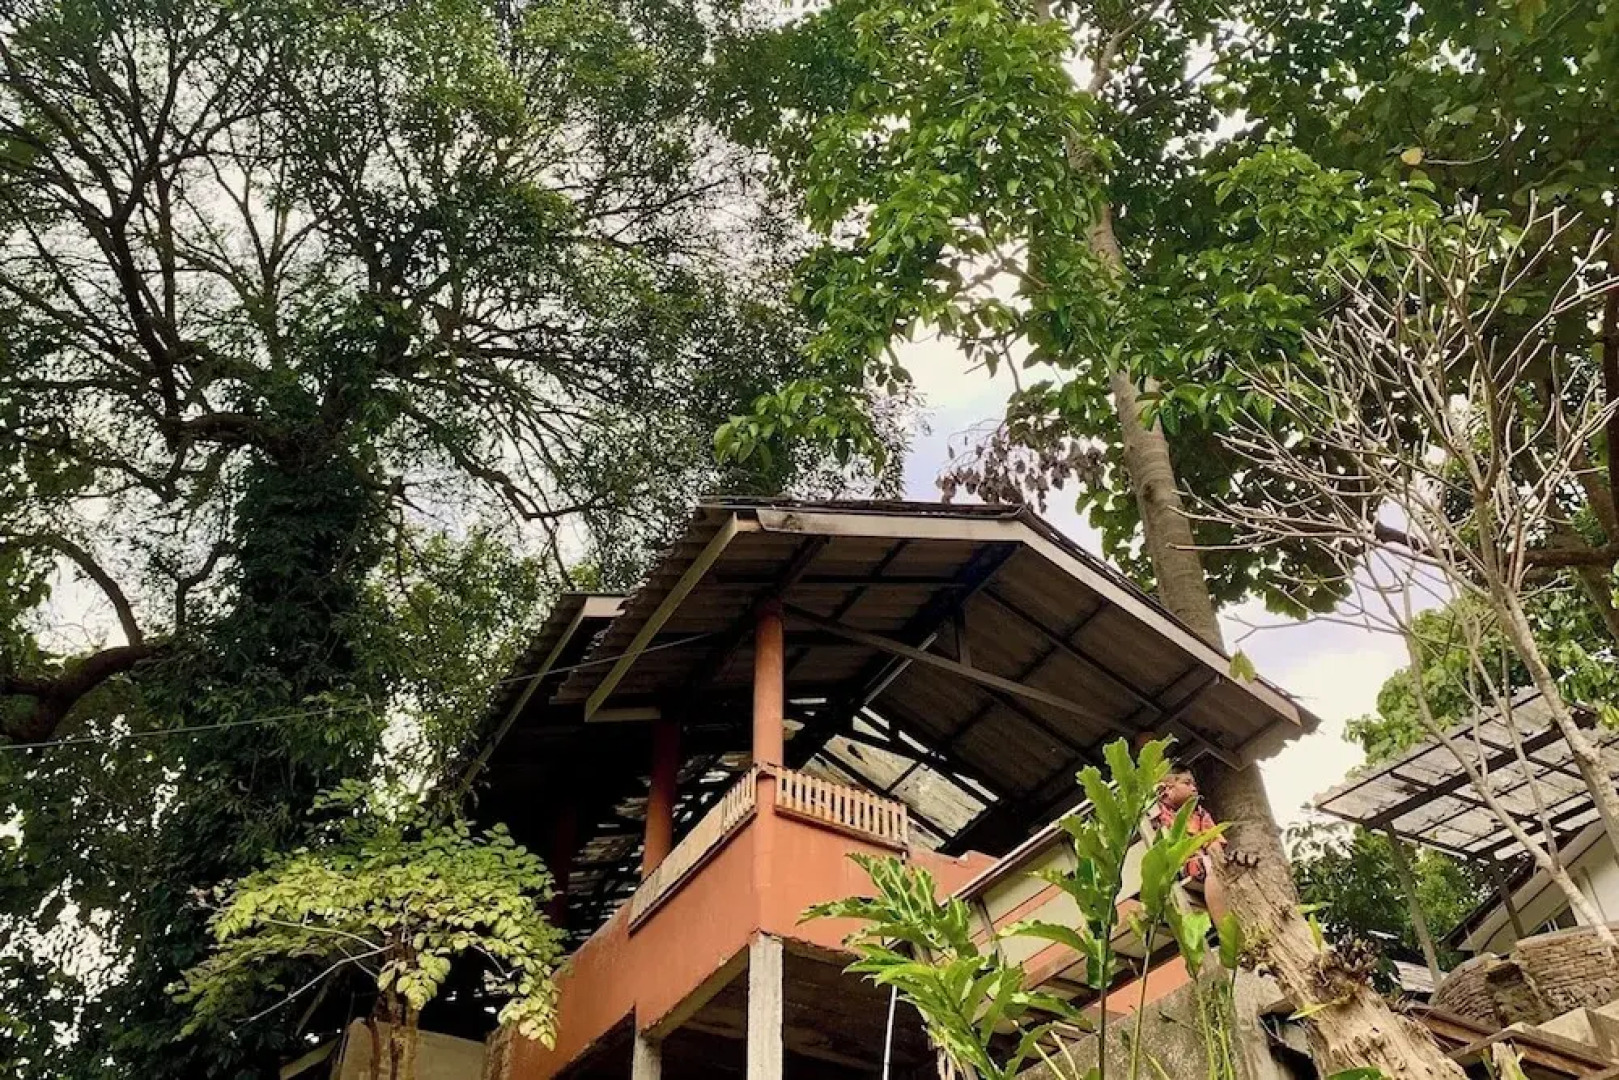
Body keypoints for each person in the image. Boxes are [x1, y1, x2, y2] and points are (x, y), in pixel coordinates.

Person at [1152, 764, 1231, 927]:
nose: (1193, 788)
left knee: (1223, 863)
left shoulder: (1200, 814)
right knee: (1210, 865)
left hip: (1203, 861)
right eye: (1187, 783)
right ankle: (1226, 931)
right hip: (1177, 864)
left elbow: (1214, 842)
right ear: (1168, 789)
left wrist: (1221, 860)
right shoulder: (1157, 810)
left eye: (1194, 784)